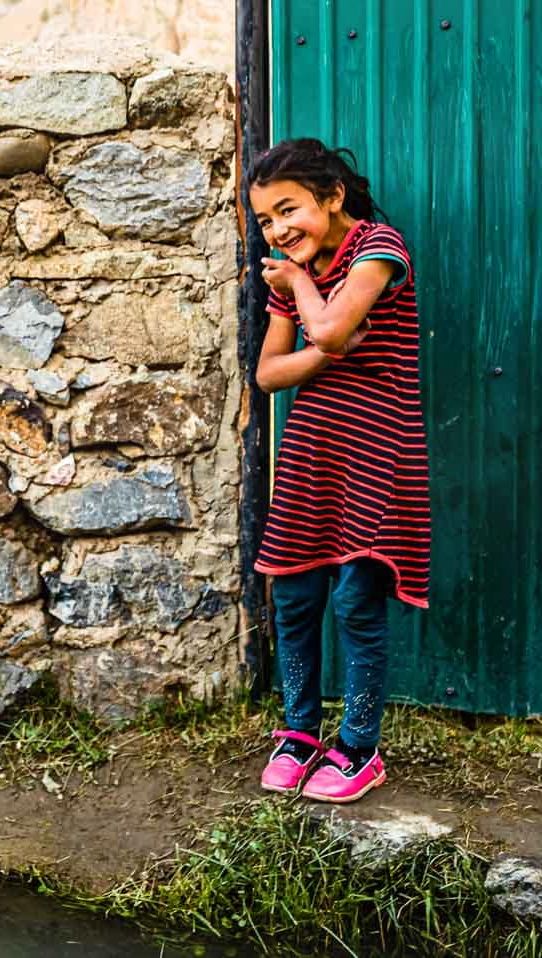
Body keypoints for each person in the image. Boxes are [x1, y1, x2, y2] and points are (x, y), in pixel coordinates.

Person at [247, 137, 431, 804]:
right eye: (266, 220)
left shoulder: (378, 249)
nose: (277, 230)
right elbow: (270, 373)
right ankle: (300, 733)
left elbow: (327, 329)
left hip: (377, 448)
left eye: (288, 210)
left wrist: (300, 290)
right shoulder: (294, 270)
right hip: (312, 448)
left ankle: (359, 746)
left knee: (356, 598)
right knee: (294, 594)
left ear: (332, 198)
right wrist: (320, 336)